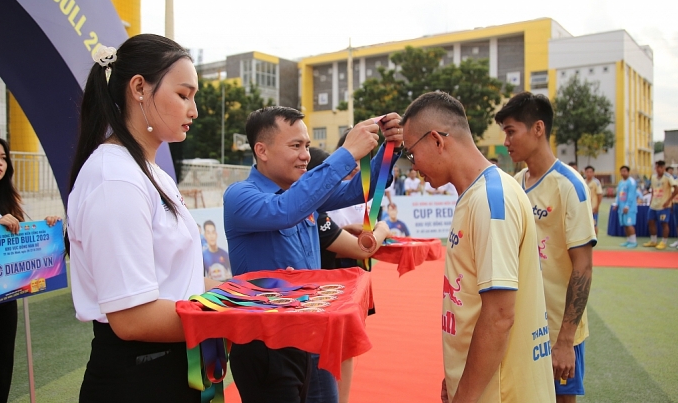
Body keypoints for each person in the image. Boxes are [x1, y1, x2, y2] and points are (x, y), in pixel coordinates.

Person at [66, 34, 219, 402]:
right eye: (184, 95)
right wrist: (228, 315)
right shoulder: (115, 177)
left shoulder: (150, 172)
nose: (193, 110)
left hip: (172, 365)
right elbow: (133, 318)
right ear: (138, 88)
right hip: (140, 377)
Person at [223, 106, 402, 403]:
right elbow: (286, 210)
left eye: (306, 145)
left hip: (313, 336)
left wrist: (388, 147)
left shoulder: (304, 191)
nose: (305, 155)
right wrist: (346, 153)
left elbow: (363, 189)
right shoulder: (240, 196)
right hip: (268, 347)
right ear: (262, 150)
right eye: (295, 146)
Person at [400, 91, 554, 403]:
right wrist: (459, 376)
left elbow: (499, 316)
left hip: (502, 391)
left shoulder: (489, 200)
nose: (413, 168)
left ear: (437, 141)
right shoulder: (477, 194)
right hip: (485, 383)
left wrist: (465, 395)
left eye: (412, 155)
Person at [496, 91, 595, 403]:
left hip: (557, 333)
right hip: (522, 325)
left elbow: (583, 266)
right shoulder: (515, 183)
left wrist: (565, 340)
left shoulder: (570, 187)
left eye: (511, 131)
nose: (506, 141)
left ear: (538, 129)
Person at [307, 147, 392, 403]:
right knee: (330, 354)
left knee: (345, 349)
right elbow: (363, 247)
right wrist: (385, 228)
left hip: (347, 282)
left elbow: (379, 181)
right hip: (327, 290)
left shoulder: (316, 206)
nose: (352, 174)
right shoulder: (311, 210)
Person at [0, 135, 61, 403]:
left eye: (3, 157)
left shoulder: (7, 202)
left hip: (4, 297)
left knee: (2, 367)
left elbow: (26, 243)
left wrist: (47, 228)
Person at [643, 160, 678, 250]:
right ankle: (653, 240)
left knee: (664, 223)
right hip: (654, 204)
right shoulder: (653, 177)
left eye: (659, 167)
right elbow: (653, 190)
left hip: (664, 206)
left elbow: (676, 188)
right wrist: (651, 201)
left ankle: (664, 242)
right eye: (656, 167)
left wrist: (668, 200)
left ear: (663, 168)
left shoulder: (668, 177)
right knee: (650, 221)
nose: (657, 169)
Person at [613, 165, 639, 248]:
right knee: (625, 224)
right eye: (622, 171)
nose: (623, 173)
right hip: (621, 207)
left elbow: (631, 195)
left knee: (629, 224)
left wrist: (627, 206)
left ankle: (634, 241)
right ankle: (629, 240)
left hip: (629, 208)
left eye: (625, 171)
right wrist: (616, 204)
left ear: (628, 172)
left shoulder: (631, 182)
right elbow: (619, 194)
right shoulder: (621, 182)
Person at [584, 166, 603, 235]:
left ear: (593, 173)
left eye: (591, 172)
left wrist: (597, 206)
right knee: (585, 225)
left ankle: (594, 241)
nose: (589, 174)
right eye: (587, 172)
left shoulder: (596, 182)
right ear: (585, 173)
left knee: (594, 225)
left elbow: (600, 195)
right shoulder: (583, 181)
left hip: (593, 207)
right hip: (585, 207)